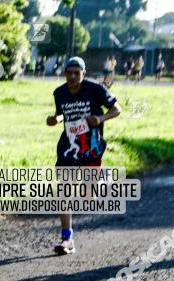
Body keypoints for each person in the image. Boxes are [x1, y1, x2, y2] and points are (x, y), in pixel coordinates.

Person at [46, 57, 121, 255]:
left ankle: (103, 179)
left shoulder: (95, 89)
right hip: (69, 146)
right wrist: (56, 119)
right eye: (69, 72)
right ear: (65, 74)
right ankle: (66, 238)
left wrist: (100, 118)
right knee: (64, 190)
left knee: (88, 196)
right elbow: (63, 113)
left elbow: (117, 109)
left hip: (91, 146)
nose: (72, 76)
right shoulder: (59, 93)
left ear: (83, 74)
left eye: (76, 73)